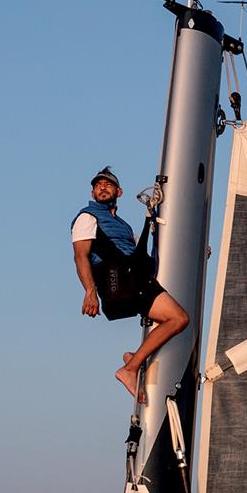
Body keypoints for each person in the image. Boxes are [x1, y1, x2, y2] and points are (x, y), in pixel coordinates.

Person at [71, 166, 189, 398]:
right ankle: (130, 368)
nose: (101, 188)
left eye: (107, 184)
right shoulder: (87, 216)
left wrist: (194, 251)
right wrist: (89, 292)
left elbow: (146, 256)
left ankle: (133, 359)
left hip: (133, 278)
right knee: (178, 318)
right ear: (93, 192)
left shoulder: (124, 227)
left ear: (120, 192)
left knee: (176, 318)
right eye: (97, 185)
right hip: (119, 282)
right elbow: (80, 256)